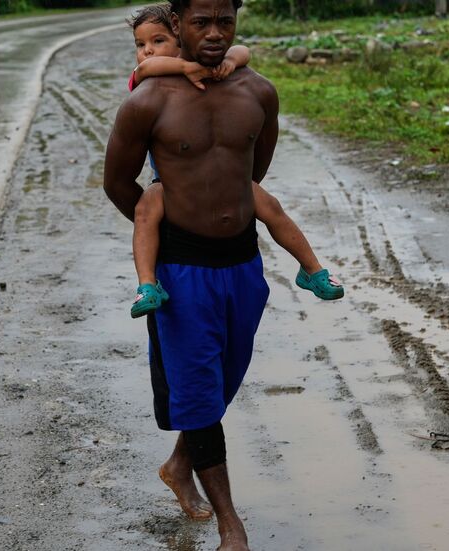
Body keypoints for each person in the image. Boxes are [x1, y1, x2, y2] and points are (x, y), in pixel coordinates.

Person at [104, 0, 315, 548]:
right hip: (182, 272)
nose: (216, 33)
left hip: (243, 265)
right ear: (178, 25)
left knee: (222, 378)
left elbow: (253, 169)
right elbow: (118, 183)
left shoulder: (259, 92)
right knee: (197, 389)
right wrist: (169, 225)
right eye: (202, 23)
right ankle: (231, 523)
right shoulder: (147, 102)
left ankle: (180, 465)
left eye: (226, 21)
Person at [124, 4, 343, 319]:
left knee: (271, 207)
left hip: (229, 184)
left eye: (157, 42)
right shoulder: (150, 83)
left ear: (178, 36)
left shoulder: (231, 79)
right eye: (140, 44)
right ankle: (147, 284)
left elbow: (243, 50)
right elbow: (145, 70)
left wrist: (229, 60)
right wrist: (184, 69)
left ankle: (312, 269)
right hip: (171, 186)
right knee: (146, 211)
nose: (147, 52)